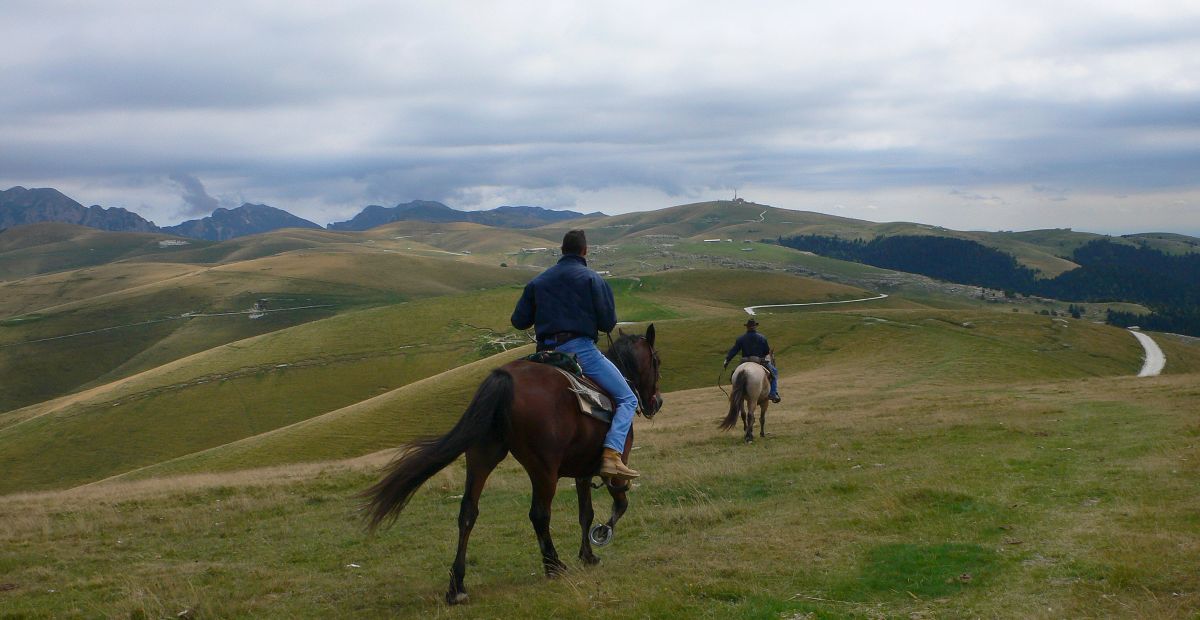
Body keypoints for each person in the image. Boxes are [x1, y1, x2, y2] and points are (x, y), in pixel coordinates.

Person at [511, 229, 641, 480]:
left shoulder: (538, 282)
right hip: (581, 351)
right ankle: (612, 456)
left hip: (544, 353)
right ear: (585, 251)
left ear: (561, 250)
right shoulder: (593, 280)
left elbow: (519, 321)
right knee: (628, 398)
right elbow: (607, 324)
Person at [723, 317, 781, 402]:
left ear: (747, 327)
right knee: (774, 372)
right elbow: (766, 352)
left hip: (744, 361)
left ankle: (735, 393)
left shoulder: (741, 338)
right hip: (758, 361)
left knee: (734, 375)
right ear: (755, 327)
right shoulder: (762, 338)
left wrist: (727, 360)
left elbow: (734, 351)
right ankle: (773, 393)